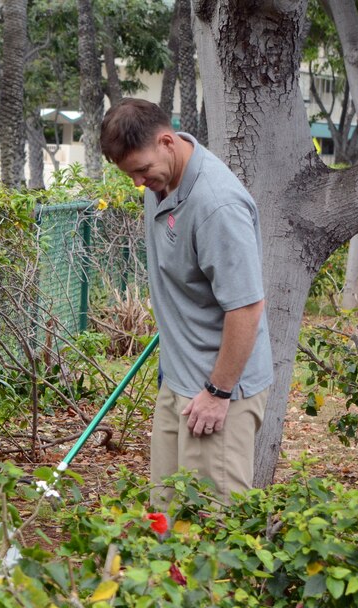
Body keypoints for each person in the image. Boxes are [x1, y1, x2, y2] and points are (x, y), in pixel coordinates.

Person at [99, 98, 272, 506]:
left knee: (213, 526)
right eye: (130, 175)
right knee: (166, 513)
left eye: (141, 170)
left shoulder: (218, 206)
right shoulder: (160, 181)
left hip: (218, 391)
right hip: (180, 379)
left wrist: (218, 392)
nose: (139, 183)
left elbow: (246, 308)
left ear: (167, 141)